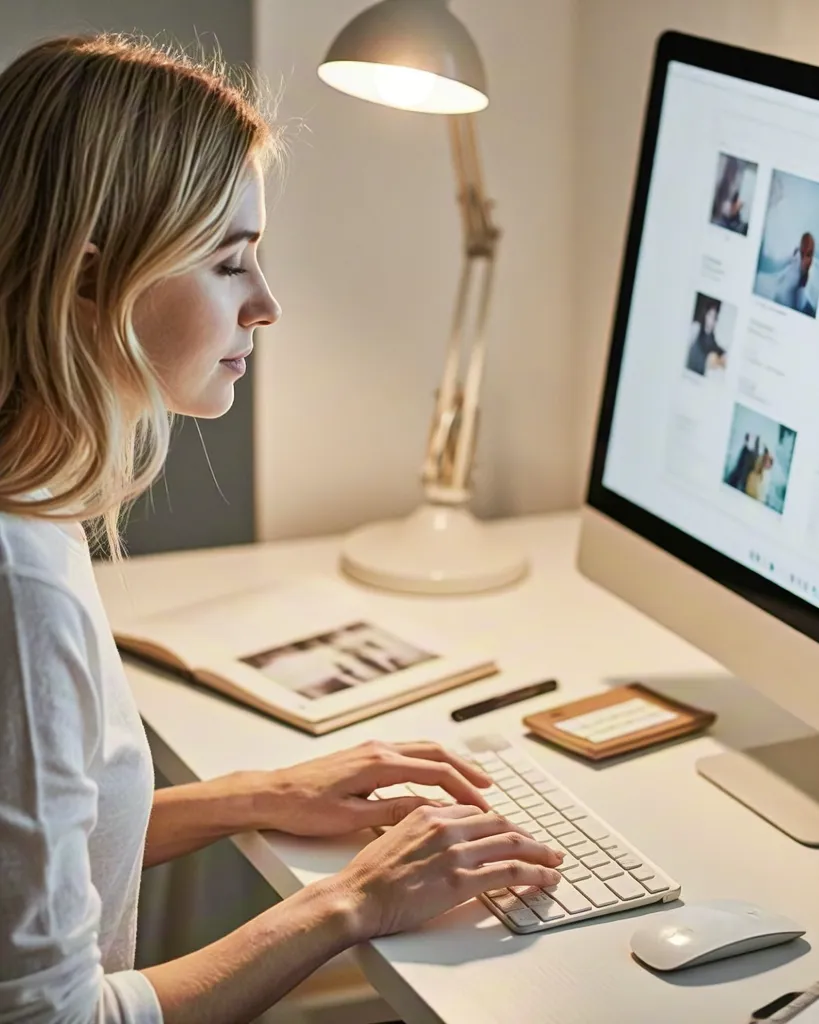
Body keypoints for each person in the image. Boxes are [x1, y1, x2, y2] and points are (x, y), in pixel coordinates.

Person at [0, 34, 563, 1024]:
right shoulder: (22, 591)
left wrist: (259, 794)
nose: (265, 306)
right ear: (90, 284)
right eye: (229, 263)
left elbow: (36, 849)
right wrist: (347, 900)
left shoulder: (33, 506)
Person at [761, 231, 819, 317]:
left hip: (794, 308)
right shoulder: (794, 256)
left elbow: (802, 303)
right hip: (779, 301)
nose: (804, 249)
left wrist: (802, 286)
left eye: (809, 253)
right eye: (803, 246)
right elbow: (777, 265)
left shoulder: (812, 269)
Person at [686, 298, 727, 376]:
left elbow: (716, 347)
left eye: (714, 318)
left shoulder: (711, 338)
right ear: (706, 315)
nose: (712, 321)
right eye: (710, 316)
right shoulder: (696, 327)